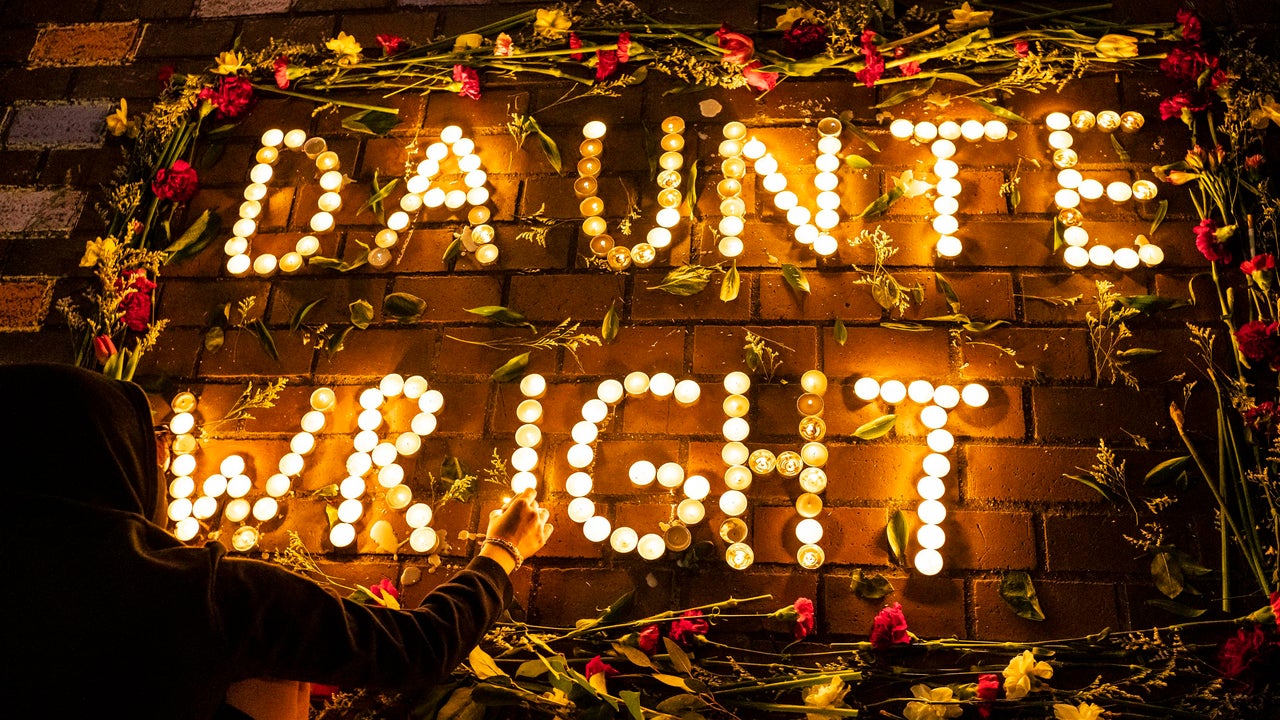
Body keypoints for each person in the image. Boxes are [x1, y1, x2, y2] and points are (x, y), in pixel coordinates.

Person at [0, 363, 553, 718]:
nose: (165, 455)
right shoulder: (204, 594)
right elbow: (414, 649)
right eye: (152, 442)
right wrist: (502, 553)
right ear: (111, 454)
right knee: (278, 682)